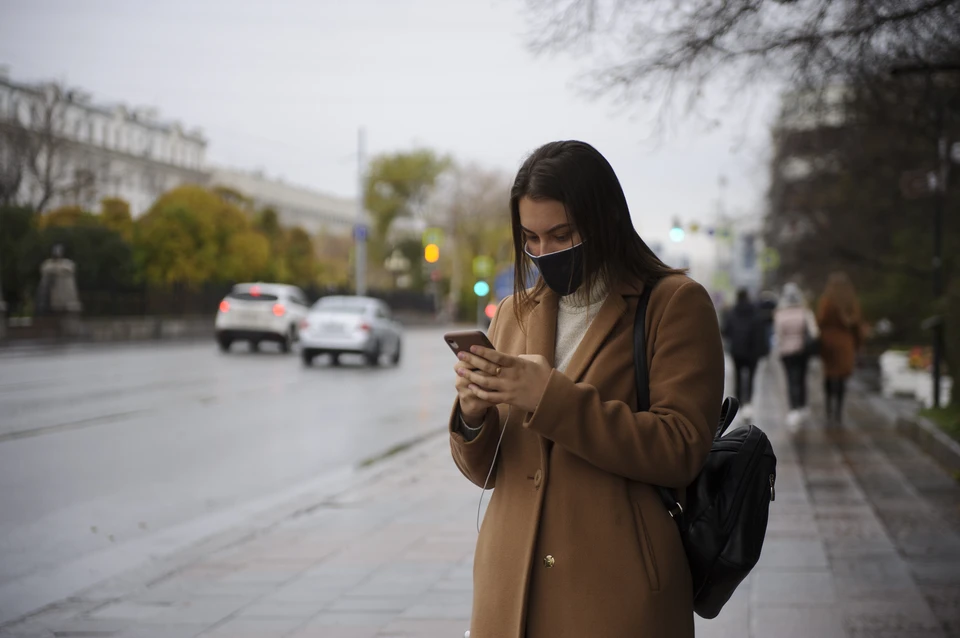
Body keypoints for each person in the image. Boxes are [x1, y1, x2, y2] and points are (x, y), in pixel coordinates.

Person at [449, 141, 724, 638]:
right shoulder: (515, 312)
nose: (543, 253)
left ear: (603, 221)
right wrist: (472, 416)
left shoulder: (674, 305)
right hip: (508, 593)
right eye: (530, 238)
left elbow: (681, 447)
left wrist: (548, 396)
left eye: (561, 235)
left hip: (613, 594)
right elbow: (487, 473)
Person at [817, 271, 863, 425]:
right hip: (845, 344)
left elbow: (821, 320)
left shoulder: (826, 301)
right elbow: (857, 325)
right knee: (842, 377)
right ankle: (838, 411)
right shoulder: (851, 301)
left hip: (829, 342)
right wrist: (857, 344)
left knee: (829, 375)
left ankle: (829, 407)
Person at [774, 282, 818, 432]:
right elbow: (814, 332)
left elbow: (778, 335)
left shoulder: (780, 314)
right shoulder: (805, 312)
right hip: (802, 351)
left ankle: (793, 409)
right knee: (801, 377)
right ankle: (803, 405)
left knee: (791, 379)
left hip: (786, 352)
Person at [721, 289, 764, 418]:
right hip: (752, 351)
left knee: (738, 377)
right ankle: (748, 403)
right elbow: (760, 330)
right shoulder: (755, 311)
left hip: (737, 351)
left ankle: (739, 403)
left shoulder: (732, 312)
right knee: (751, 377)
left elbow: (725, 330)